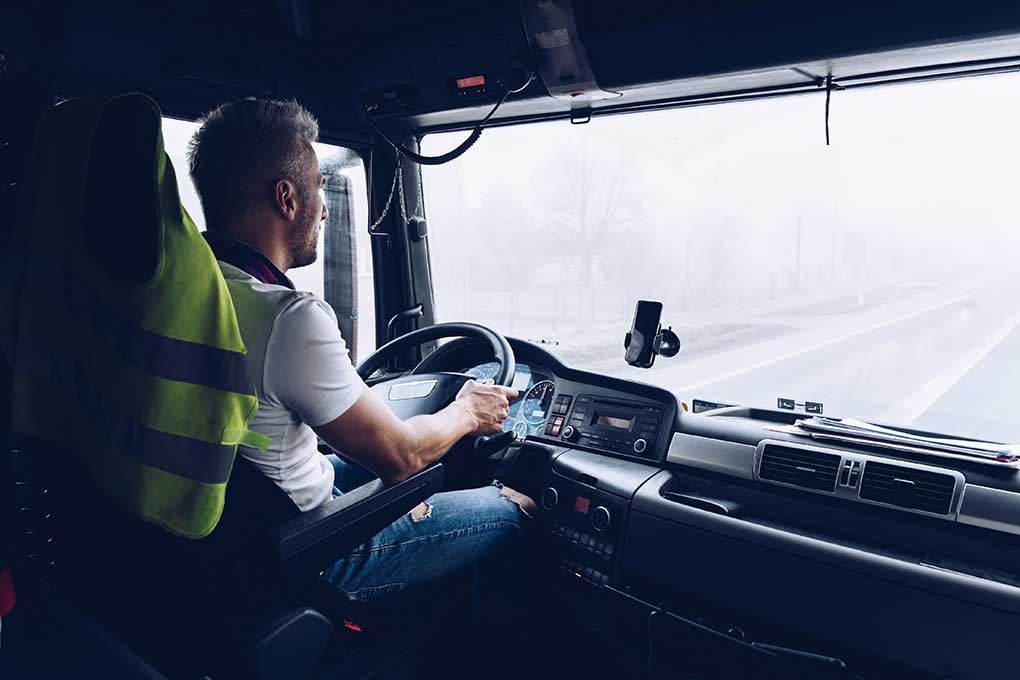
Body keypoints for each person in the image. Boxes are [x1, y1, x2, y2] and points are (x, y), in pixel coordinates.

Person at [185, 98, 535, 601]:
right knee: (514, 508)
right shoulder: (285, 316)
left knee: (431, 473)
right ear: (287, 198)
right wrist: (467, 413)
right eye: (318, 187)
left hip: (237, 528)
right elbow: (402, 457)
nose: (325, 209)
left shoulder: (187, 293)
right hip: (309, 549)